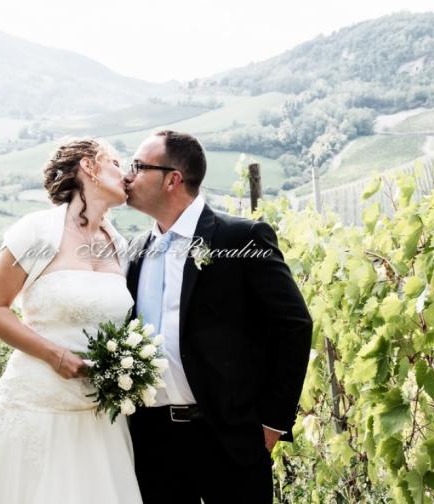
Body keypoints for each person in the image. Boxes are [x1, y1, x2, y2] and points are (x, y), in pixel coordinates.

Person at [123, 130, 313, 503]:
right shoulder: (135, 251)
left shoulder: (241, 237)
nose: (127, 177)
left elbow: (293, 325)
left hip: (229, 437)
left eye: (138, 166)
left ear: (172, 179)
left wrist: (272, 422)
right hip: (151, 441)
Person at [0, 138, 142, 503]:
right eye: (117, 164)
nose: (127, 175)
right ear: (89, 166)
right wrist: (54, 355)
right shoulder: (40, 233)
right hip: (37, 408)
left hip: (98, 417)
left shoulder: (120, 246)